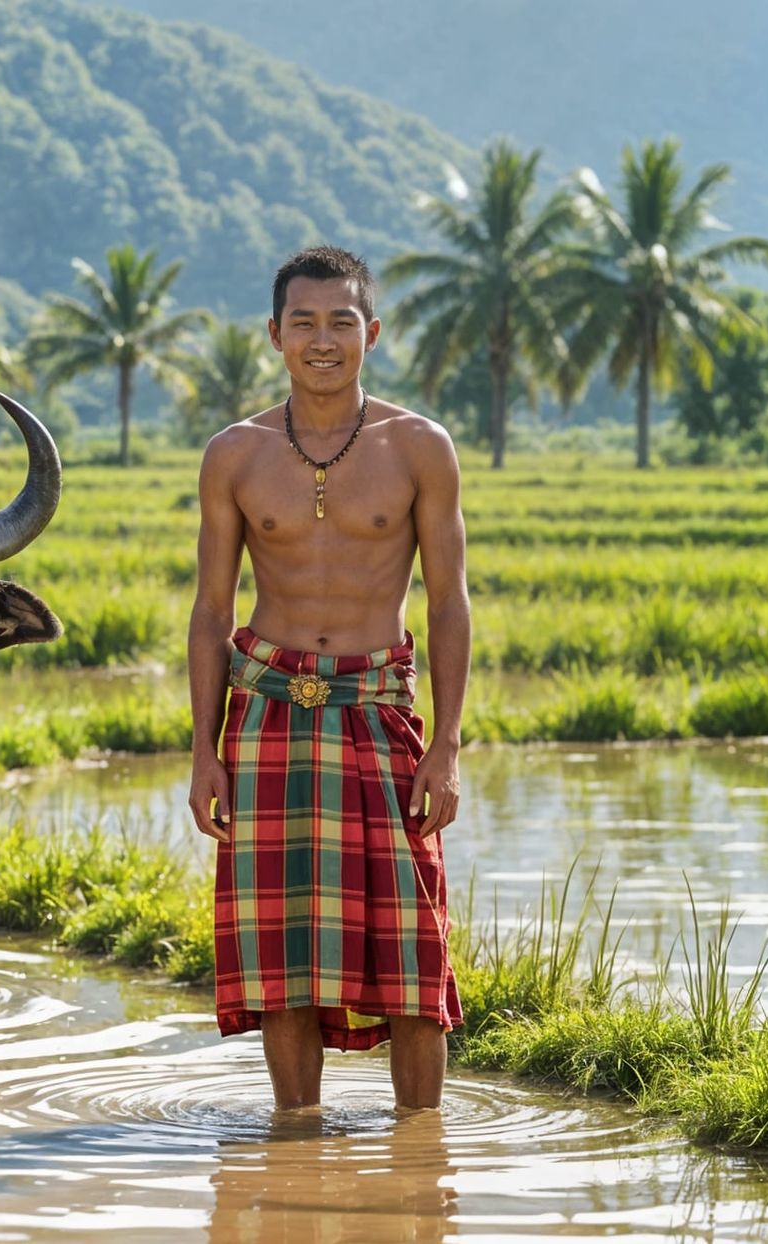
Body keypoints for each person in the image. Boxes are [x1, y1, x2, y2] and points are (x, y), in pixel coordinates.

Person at [186, 246, 469, 1111]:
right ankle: (294, 1136)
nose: (322, 340)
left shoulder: (420, 447)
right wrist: (203, 750)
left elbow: (451, 603)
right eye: (303, 322)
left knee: (414, 956)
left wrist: (448, 744)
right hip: (268, 712)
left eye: (340, 321)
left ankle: (420, 1150)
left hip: (379, 711)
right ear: (274, 335)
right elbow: (209, 610)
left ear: (371, 332)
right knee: (286, 961)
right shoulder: (234, 455)